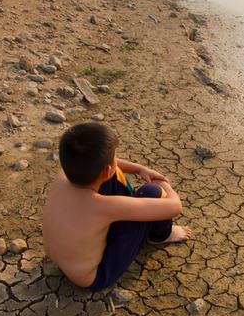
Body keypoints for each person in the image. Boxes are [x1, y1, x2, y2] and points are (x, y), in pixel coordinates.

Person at [42, 122, 191, 290]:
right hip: (95, 276)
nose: (116, 160)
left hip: (62, 259)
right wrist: (164, 185)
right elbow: (175, 206)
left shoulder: (63, 174)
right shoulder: (104, 207)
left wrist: (139, 169)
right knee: (153, 192)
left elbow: (105, 164)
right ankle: (161, 235)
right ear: (106, 169)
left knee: (109, 174)